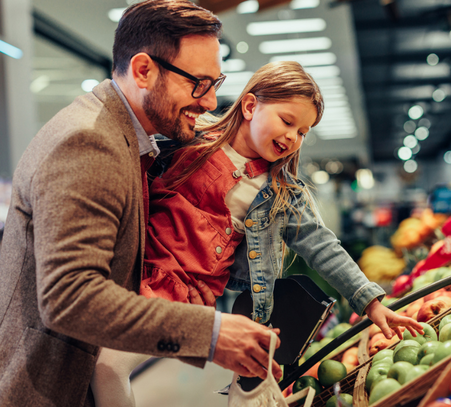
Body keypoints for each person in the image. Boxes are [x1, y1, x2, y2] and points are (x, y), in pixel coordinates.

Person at [91, 61, 424, 406]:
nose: (293, 137)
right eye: (287, 121)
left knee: (109, 365)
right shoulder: (187, 143)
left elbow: (323, 246)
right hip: (127, 269)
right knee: (96, 362)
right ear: (250, 106)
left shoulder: (282, 194)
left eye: (303, 132)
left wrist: (371, 302)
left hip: (181, 294)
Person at [0, 2, 282, 406]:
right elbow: (71, 297)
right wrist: (211, 333)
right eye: (199, 83)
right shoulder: (90, 143)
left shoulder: (126, 138)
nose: (209, 103)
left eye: (215, 83)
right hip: (47, 387)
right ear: (144, 70)